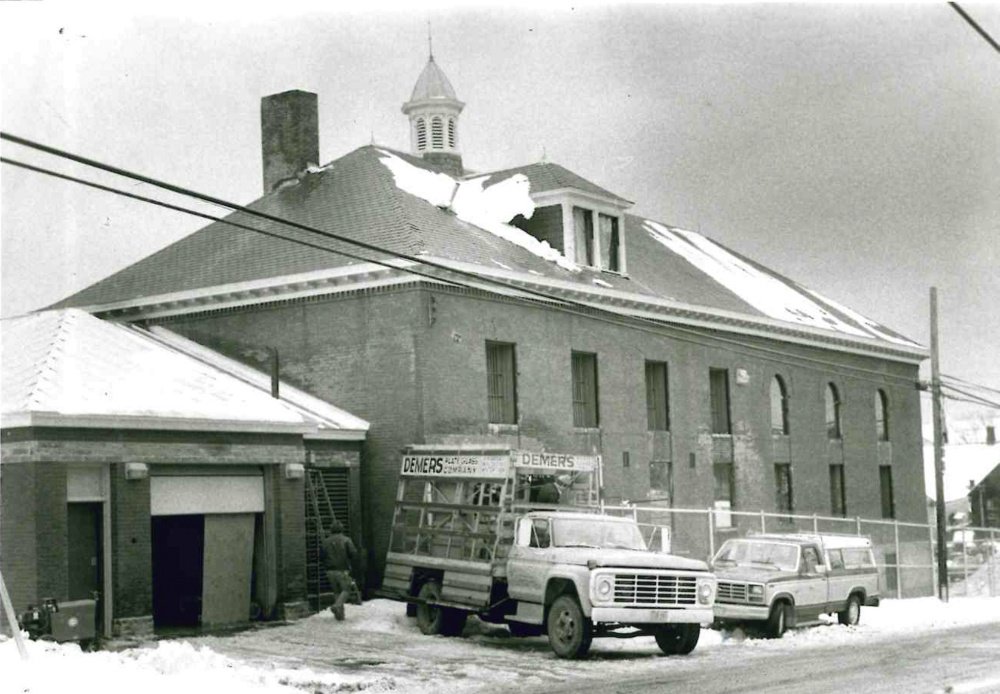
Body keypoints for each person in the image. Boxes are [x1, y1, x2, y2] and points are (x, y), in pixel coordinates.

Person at [320, 519, 357, 621]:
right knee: (346, 590)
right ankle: (337, 606)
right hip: (342, 569)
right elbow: (353, 553)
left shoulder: (326, 541)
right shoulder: (346, 540)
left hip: (329, 570)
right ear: (342, 529)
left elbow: (321, 555)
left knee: (336, 592)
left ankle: (339, 616)